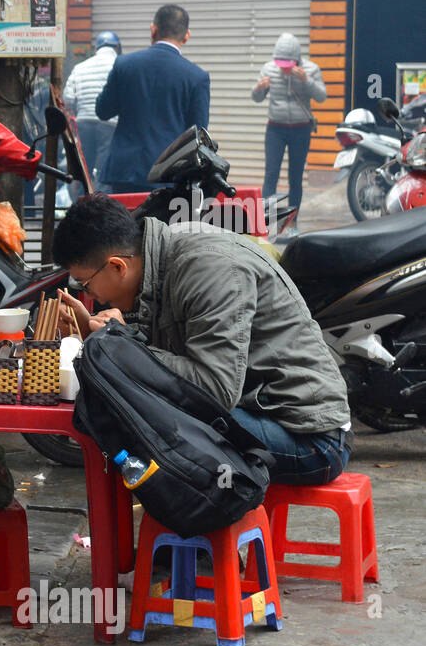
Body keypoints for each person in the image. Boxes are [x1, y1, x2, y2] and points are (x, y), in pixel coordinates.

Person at [52, 194, 350, 485]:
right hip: (257, 409)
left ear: (118, 266)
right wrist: (99, 334)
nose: (87, 295)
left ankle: (193, 533)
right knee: (132, 411)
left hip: (309, 437)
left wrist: (121, 344)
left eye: (85, 284)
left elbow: (213, 388)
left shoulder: (207, 268)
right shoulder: (162, 258)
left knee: (142, 417)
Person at [94, 5, 210, 193]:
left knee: (125, 221)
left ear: (153, 29)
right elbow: (198, 133)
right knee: (162, 224)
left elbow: (103, 111)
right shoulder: (197, 77)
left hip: (125, 171)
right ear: (187, 36)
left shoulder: (125, 64)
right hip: (169, 174)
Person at [252, 32, 327, 213]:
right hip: (275, 129)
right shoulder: (268, 69)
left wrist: (306, 81)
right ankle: (267, 222)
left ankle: (292, 222)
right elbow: (256, 98)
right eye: (282, 65)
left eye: (288, 65)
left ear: (297, 59)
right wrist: (259, 89)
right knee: (271, 175)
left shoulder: (311, 69)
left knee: (295, 178)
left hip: (301, 130)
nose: (285, 69)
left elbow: (322, 97)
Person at [64, 31, 121, 192]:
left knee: (84, 169)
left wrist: (78, 111)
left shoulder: (80, 68)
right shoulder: (119, 65)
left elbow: (67, 98)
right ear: (116, 47)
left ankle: (82, 201)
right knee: (103, 170)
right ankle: (101, 204)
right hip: (109, 125)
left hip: (83, 124)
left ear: (97, 47)